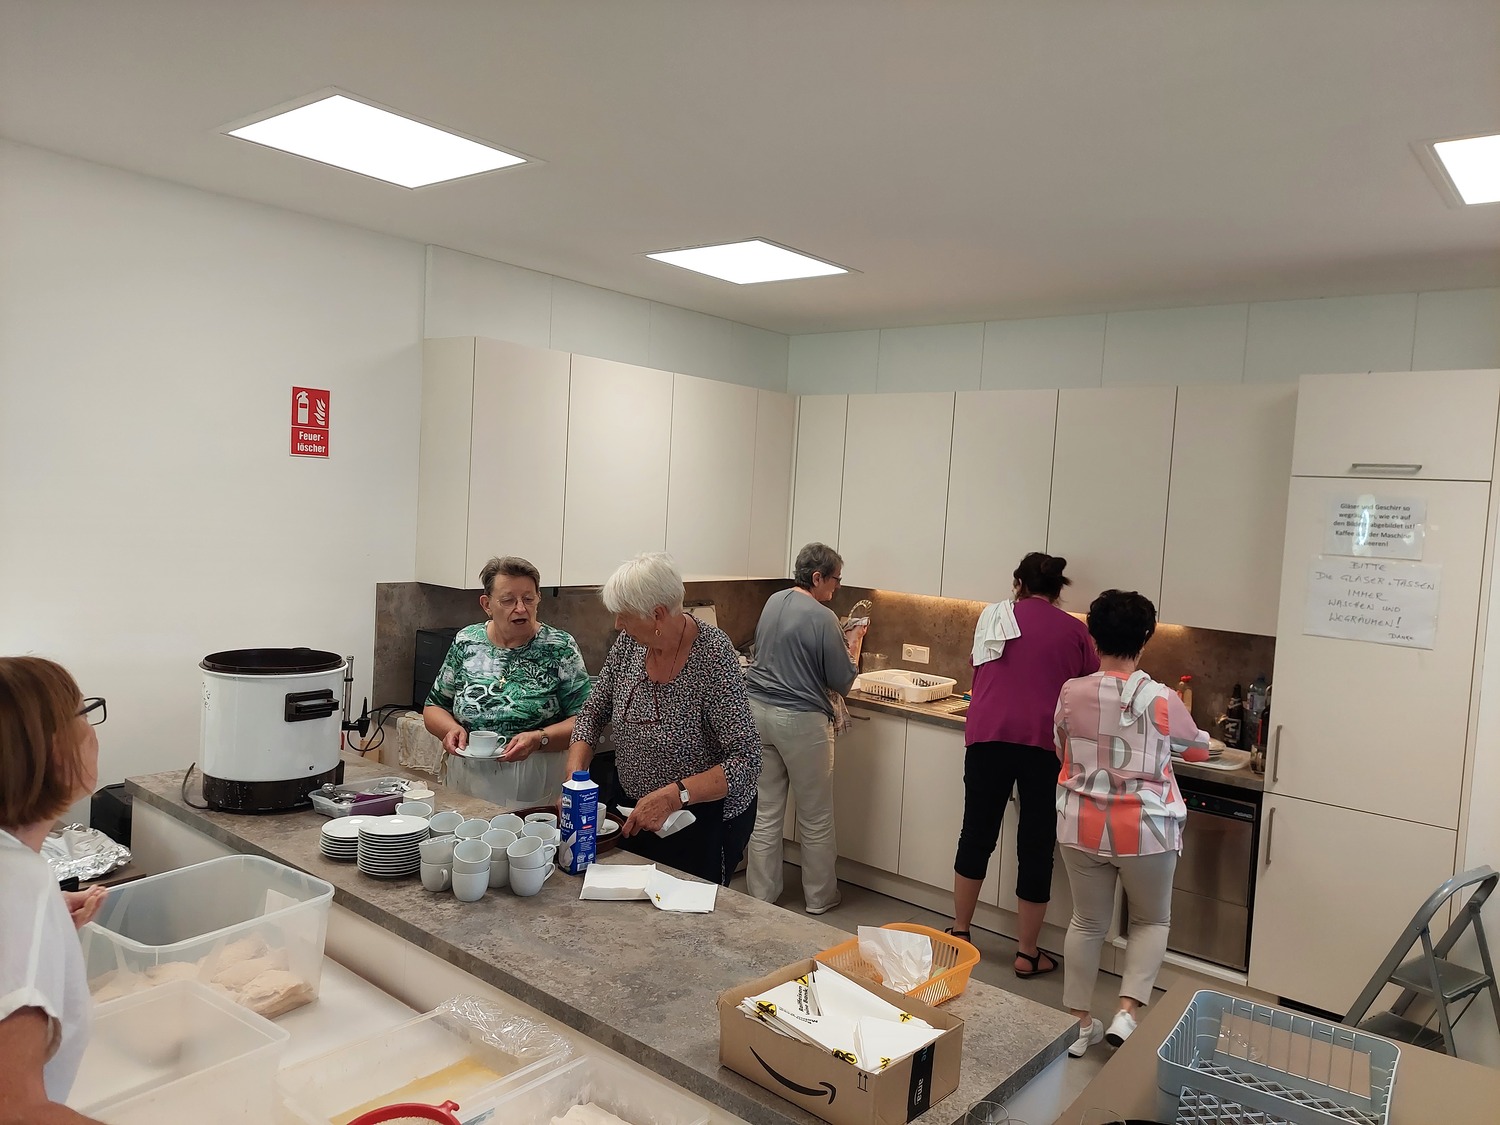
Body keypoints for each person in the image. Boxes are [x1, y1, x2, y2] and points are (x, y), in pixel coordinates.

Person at [1054, 590, 1209, 1057]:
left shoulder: (1071, 691)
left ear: (1093, 637)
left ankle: (1079, 1025)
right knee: (1150, 920)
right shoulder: (1162, 699)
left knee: (1086, 922)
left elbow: (1060, 744)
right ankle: (1127, 1013)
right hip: (1146, 830)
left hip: (1081, 823)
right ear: (1145, 638)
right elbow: (1197, 751)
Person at [567, 553, 761, 885]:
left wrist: (675, 795)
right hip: (633, 812)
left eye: (624, 615)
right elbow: (592, 713)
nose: (617, 624)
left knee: (687, 910)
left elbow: (747, 759)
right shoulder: (629, 645)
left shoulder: (713, 655)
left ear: (657, 614)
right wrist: (574, 783)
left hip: (699, 818)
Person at [950, 551, 1098, 978]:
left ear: (1019, 583)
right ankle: (1027, 953)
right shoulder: (1075, 631)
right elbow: (1088, 688)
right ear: (1058, 590)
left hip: (988, 736)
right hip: (1042, 745)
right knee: (1036, 844)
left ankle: (960, 934)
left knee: (976, 833)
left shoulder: (992, 618)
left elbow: (980, 671)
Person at [1, 656, 110, 1125]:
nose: (93, 731)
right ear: (53, 751)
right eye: (83, 713)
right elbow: (16, 1111)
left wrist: (41, 927)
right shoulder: (18, 884)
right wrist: (27, 917)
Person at [744, 543, 865, 914]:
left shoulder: (773, 601)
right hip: (800, 721)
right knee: (815, 816)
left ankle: (761, 896)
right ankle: (819, 897)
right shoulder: (823, 617)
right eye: (835, 579)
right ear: (817, 577)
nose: (838, 586)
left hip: (757, 712)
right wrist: (854, 642)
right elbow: (842, 679)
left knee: (765, 812)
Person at [423, 556, 592, 764]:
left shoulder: (560, 647)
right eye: (508, 600)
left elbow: (586, 721)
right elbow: (434, 707)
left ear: (538, 598)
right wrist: (450, 729)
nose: (520, 608)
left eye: (528, 599)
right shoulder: (466, 641)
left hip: (536, 771)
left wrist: (540, 738)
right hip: (469, 771)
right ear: (487, 604)